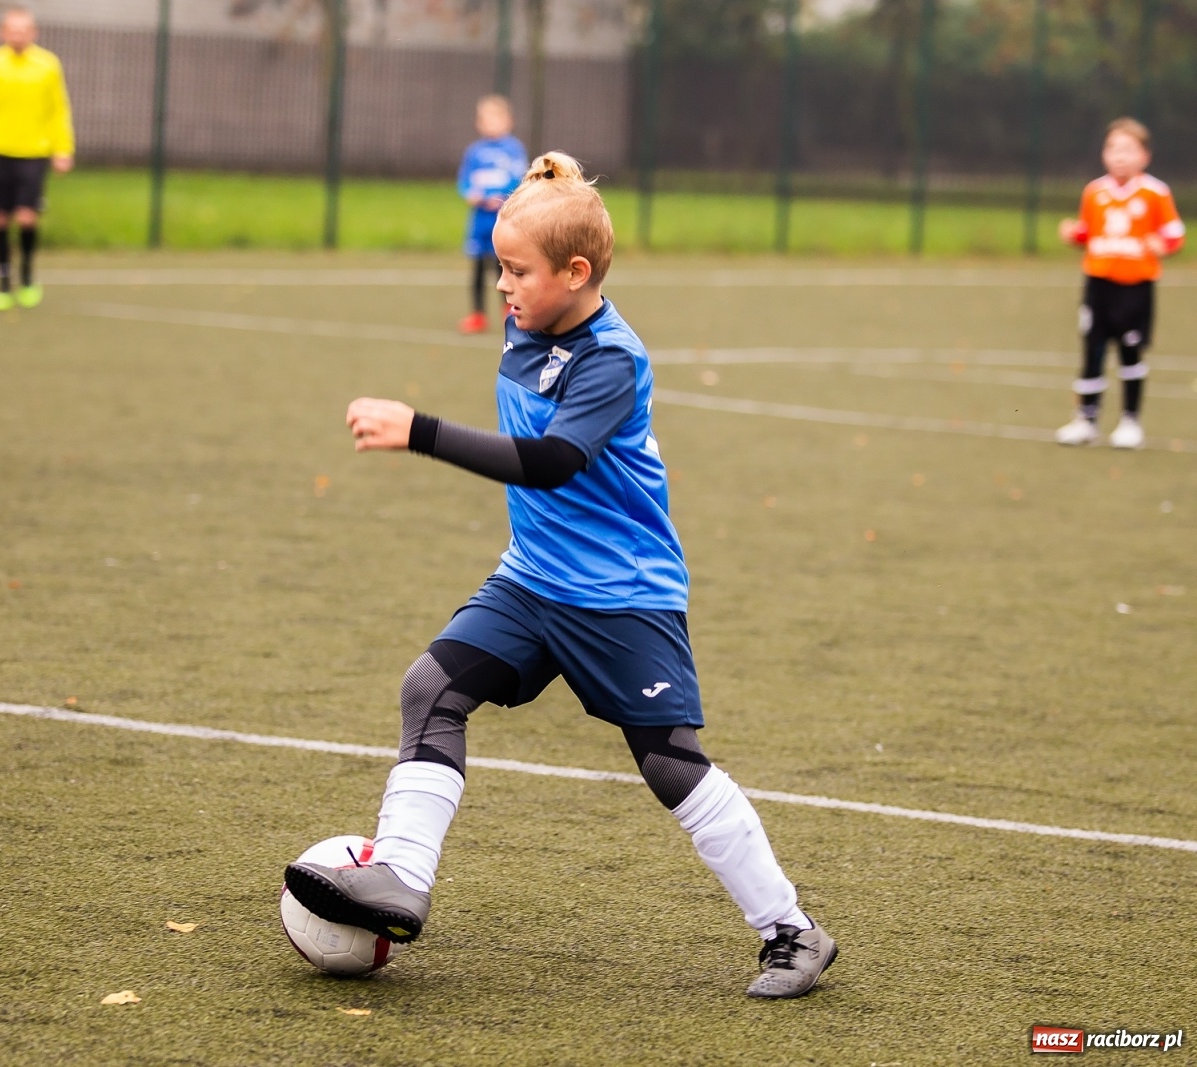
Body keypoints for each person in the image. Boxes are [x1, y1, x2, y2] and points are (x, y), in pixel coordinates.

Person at [285, 153, 838, 999]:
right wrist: (551, 185)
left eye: (517, 271)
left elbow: (550, 461)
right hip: (532, 581)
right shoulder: (532, 317)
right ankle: (399, 873)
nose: (502, 286)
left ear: (577, 275)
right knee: (431, 688)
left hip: (622, 594)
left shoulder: (612, 358)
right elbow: (552, 247)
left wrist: (418, 429)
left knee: (668, 763)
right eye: (500, 268)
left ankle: (792, 930)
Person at [1056, 118, 1184, 450]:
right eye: (1113, 148)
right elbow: (1088, 232)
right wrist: (1074, 234)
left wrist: (1163, 245)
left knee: (1130, 352)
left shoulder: (1155, 193)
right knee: (1093, 351)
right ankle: (1086, 419)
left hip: (1135, 286)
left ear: (1145, 156)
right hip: (1098, 284)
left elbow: (1174, 233)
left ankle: (1130, 420)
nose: (1120, 156)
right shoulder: (1095, 192)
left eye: (1128, 149)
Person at [0, 7, 75, 311]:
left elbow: (58, 110)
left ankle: (27, 276)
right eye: (12, 29)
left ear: (33, 33)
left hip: (34, 153)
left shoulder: (48, 65)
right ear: (2, 32)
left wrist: (63, 149)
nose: (18, 34)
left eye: (24, 29)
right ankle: (4, 283)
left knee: (26, 216)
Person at [456, 94, 527, 335]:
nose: (491, 124)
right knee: (477, 268)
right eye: (486, 119)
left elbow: (518, 180)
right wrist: (471, 194)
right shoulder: (474, 152)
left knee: (503, 267)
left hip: (503, 220)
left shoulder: (513, 150)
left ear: (508, 121)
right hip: (480, 222)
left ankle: (509, 311)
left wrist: (501, 198)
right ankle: (477, 314)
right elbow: (464, 181)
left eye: (496, 118)